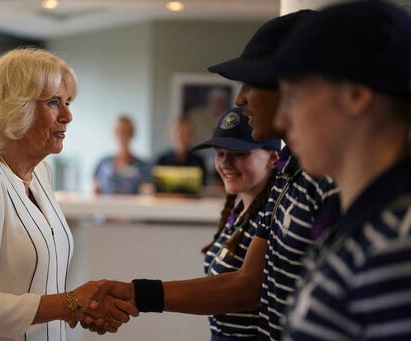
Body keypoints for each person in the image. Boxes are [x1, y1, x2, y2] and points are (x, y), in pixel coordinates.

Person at [85, 10, 337, 341]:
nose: (239, 98)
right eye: (220, 155)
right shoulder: (289, 170)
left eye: (253, 82)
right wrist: (137, 294)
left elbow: (249, 288)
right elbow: (249, 282)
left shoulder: (335, 179)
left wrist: (137, 295)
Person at [0, 47, 138, 341]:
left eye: (67, 102)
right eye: (54, 102)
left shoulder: (41, 174)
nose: (68, 116)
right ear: (14, 108)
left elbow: (42, 286)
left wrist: (81, 308)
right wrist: (68, 304)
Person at [270, 1, 411, 339]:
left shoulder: (395, 247)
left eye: (293, 95)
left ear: (356, 96)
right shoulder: (359, 225)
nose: (281, 120)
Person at [193, 107, 280, 339]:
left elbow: (245, 291)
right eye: (219, 153)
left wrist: (141, 294)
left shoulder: (272, 216)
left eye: (239, 154)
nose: (226, 163)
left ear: (273, 157)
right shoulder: (239, 211)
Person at [93, 115, 153, 195]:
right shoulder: (103, 163)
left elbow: (146, 196)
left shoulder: (143, 166)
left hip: (132, 207)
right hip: (106, 206)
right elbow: (95, 193)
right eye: (119, 131)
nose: (122, 135)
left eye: (125, 131)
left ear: (132, 133)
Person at [155, 116, 207, 185]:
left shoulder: (199, 161)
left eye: (184, 132)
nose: (180, 135)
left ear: (191, 135)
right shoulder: (161, 160)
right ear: (169, 135)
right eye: (177, 131)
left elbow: (202, 185)